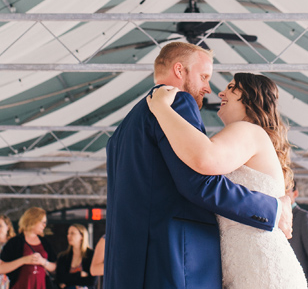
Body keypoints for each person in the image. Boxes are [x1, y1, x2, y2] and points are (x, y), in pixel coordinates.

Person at [105, 42, 292, 289]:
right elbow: (199, 181)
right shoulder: (177, 102)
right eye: (204, 76)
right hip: (175, 258)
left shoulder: (122, 130)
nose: (209, 89)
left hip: (130, 262)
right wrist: (273, 209)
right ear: (180, 71)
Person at [147, 69, 306, 288]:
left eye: (231, 88)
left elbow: (203, 157)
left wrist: (161, 108)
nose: (221, 93)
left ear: (250, 97)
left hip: (260, 271)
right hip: (247, 268)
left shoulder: (248, 130)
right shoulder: (251, 135)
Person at [0, 208, 56, 289]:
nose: (44, 225)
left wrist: (43, 262)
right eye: (42, 222)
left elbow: (54, 267)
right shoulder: (15, 242)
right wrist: (24, 260)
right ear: (33, 221)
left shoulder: (45, 242)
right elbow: (1, 268)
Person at [54, 225, 93, 289]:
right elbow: (59, 279)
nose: (68, 236)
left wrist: (68, 281)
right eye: (68, 233)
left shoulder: (91, 254)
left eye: (72, 233)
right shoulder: (63, 257)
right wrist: (79, 274)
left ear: (82, 236)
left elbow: (91, 281)